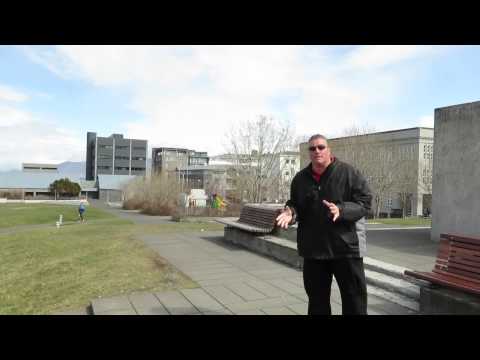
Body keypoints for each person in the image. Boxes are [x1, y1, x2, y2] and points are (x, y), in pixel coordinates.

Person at [276, 134, 372, 315]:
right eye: (312, 148)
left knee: (355, 302)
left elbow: (365, 202)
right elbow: (296, 205)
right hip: (314, 251)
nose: (317, 151)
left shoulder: (348, 173)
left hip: (345, 249)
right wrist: (290, 212)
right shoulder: (300, 179)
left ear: (329, 150)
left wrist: (341, 210)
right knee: (317, 303)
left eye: (321, 147)